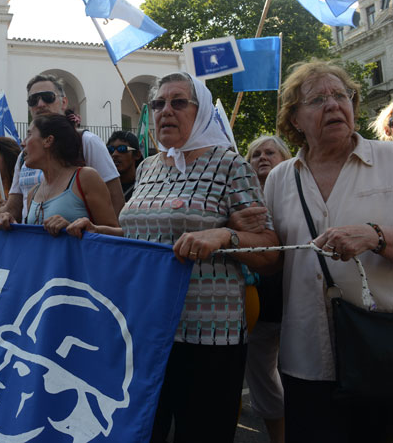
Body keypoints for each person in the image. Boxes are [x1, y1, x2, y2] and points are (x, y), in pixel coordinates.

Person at [68, 72, 278, 443]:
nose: (166, 110)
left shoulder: (231, 166)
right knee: (143, 432)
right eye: (158, 103)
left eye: (179, 102)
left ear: (201, 111)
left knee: (202, 434)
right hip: (146, 329)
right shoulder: (148, 167)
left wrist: (225, 236)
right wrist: (97, 231)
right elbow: (145, 238)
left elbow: (270, 249)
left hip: (209, 335)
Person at [262, 60, 393, 443]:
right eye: (317, 99)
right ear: (295, 119)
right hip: (305, 361)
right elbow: (274, 261)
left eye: (341, 95)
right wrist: (236, 234)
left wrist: (376, 236)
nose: (334, 105)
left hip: (382, 354)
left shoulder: (389, 160)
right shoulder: (280, 178)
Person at [0, 73, 123, 229]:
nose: (40, 104)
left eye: (48, 97)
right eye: (33, 100)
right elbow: (14, 208)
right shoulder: (24, 157)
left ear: (64, 102)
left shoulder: (87, 142)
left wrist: (104, 237)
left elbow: (115, 201)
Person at [235, 135, 291, 443]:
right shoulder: (238, 199)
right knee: (262, 378)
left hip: (298, 300)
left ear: (286, 159)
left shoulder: (298, 194)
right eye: (256, 154)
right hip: (259, 304)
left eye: (270, 152)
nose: (262, 158)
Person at [22, 114, 119, 237]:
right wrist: (9, 224)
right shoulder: (33, 193)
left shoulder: (86, 177)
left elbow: (118, 234)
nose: (22, 143)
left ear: (48, 140)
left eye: (29, 134)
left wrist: (85, 229)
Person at [106, 131, 143, 201]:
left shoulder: (145, 186)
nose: (114, 154)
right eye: (110, 149)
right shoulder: (102, 187)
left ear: (137, 155)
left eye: (122, 149)